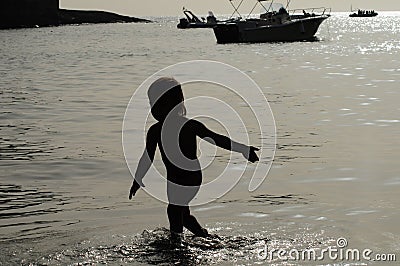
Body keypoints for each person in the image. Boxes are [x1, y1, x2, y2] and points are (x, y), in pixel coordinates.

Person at [128, 77, 259, 240]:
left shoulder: (189, 126)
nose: (155, 108)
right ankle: (204, 236)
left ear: (176, 103)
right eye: (152, 104)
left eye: (159, 104)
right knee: (183, 215)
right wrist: (138, 178)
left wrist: (243, 149)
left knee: (174, 210)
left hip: (191, 177)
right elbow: (147, 156)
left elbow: (217, 138)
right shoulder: (155, 131)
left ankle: (176, 244)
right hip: (173, 179)